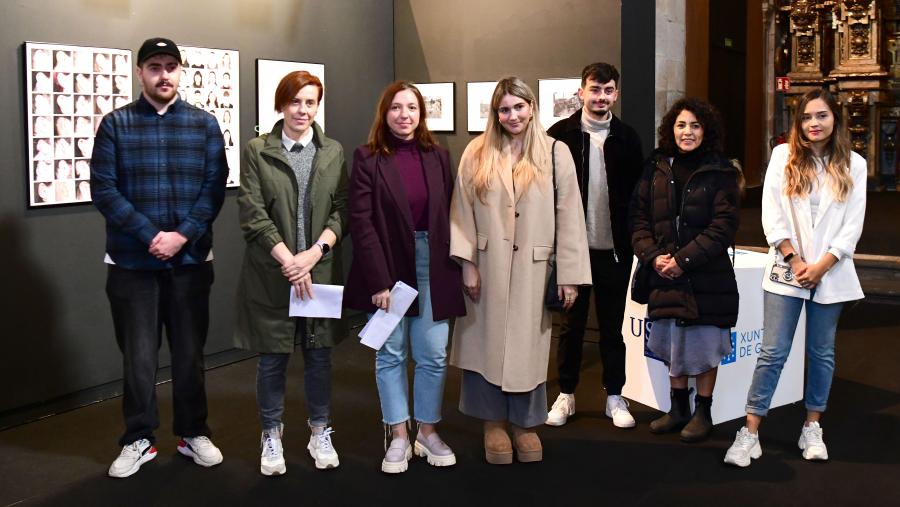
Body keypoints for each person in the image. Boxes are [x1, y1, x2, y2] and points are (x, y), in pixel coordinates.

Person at [90, 37, 228, 478]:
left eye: (171, 66)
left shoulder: (204, 125)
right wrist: (152, 235)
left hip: (190, 264)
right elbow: (104, 190)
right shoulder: (116, 125)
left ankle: (193, 433)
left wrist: (182, 235)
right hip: (132, 265)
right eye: (154, 66)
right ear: (140, 72)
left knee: (190, 356)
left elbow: (213, 189)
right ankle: (139, 439)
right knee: (138, 359)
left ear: (180, 71)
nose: (163, 74)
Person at [450, 77, 591, 464]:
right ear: (496, 113)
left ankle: (525, 424)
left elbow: (570, 216)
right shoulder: (476, 152)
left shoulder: (555, 152)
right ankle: (492, 423)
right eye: (504, 109)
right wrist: (467, 264)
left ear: (531, 107)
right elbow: (461, 211)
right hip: (486, 267)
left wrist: (569, 275)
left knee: (528, 349)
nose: (512, 115)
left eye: (519, 107)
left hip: (534, 269)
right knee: (485, 345)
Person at [724, 88, 866, 467]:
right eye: (806, 117)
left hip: (830, 273)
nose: (813, 123)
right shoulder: (782, 156)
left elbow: (852, 227)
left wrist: (821, 266)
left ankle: (811, 426)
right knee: (772, 352)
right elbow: (771, 214)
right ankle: (750, 432)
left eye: (821, 116)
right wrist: (795, 259)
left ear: (835, 118)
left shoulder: (854, 164)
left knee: (822, 353)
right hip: (788, 268)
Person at [345, 81, 465, 474]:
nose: (404, 115)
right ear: (385, 113)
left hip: (433, 263)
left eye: (411, 107)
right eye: (396, 107)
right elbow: (361, 223)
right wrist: (379, 281)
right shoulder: (367, 158)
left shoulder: (439, 156)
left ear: (421, 113)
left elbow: (451, 214)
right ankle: (398, 434)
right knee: (391, 353)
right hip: (388, 264)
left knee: (433, 354)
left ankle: (427, 432)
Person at [234, 71, 347, 476]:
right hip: (273, 272)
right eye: (295, 101)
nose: (303, 110)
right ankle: (271, 434)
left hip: (320, 270)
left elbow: (342, 209)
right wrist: (291, 262)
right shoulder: (257, 150)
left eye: (310, 102)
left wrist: (313, 255)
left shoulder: (332, 151)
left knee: (319, 356)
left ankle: (319, 430)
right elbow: (252, 213)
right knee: (272, 358)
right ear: (281, 104)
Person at [629, 97, 741, 443]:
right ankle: (678, 409)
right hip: (663, 272)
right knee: (670, 340)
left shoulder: (721, 171)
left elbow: (723, 227)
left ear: (706, 131)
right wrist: (653, 257)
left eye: (695, 125)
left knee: (706, 344)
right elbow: (638, 218)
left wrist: (683, 260)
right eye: (681, 125)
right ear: (671, 129)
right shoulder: (656, 167)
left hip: (707, 275)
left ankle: (702, 411)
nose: (687, 132)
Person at [545, 62, 644, 428]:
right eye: (594, 89)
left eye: (608, 90)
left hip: (615, 252)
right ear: (581, 92)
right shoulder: (559, 135)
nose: (601, 96)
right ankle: (566, 394)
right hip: (574, 251)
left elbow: (639, 196)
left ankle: (614, 395)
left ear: (616, 94)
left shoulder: (628, 138)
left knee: (612, 328)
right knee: (570, 327)